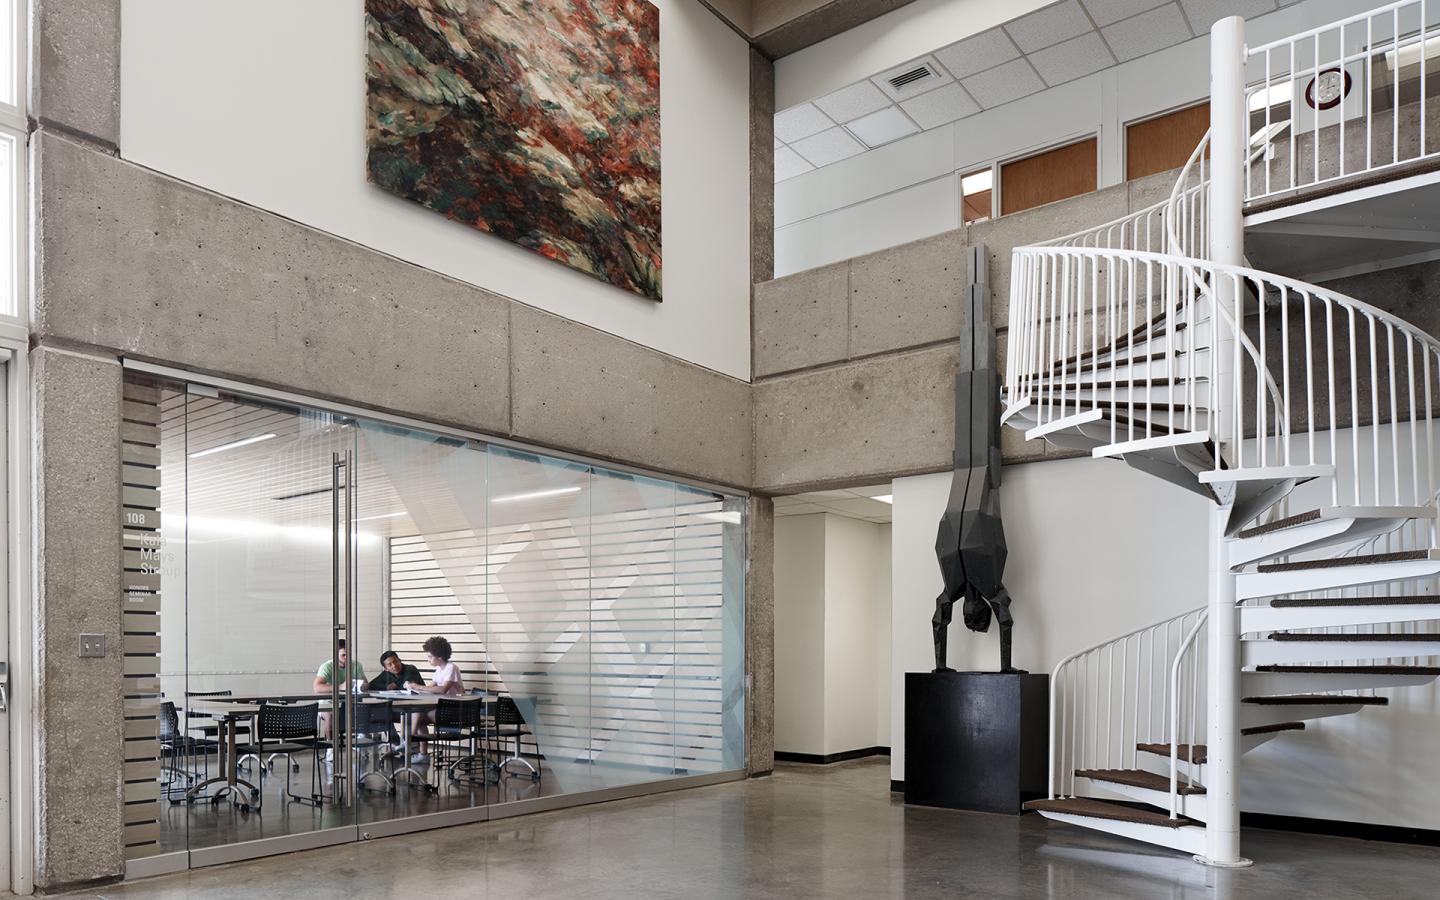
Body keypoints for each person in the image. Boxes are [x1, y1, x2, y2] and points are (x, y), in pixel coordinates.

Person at [407, 636, 464, 764]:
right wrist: (413, 688)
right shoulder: (439, 669)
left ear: (439, 657)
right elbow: (430, 688)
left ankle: (410, 740)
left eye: (430, 657)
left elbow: (443, 689)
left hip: (453, 710)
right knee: (419, 715)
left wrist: (419, 687)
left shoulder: (451, 667)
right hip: (441, 708)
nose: (428, 659)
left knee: (419, 715)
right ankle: (419, 750)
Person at [315, 639, 366, 758]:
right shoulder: (327, 666)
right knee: (330, 715)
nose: (347, 657)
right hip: (329, 703)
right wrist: (340, 687)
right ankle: (331, 748)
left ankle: (360, 742)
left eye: (349, 654)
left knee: (365, 710)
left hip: (349, 703)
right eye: (343, 655)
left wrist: (361, 685)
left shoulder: (356, 665)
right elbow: (317, 687)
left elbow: (366, 684)